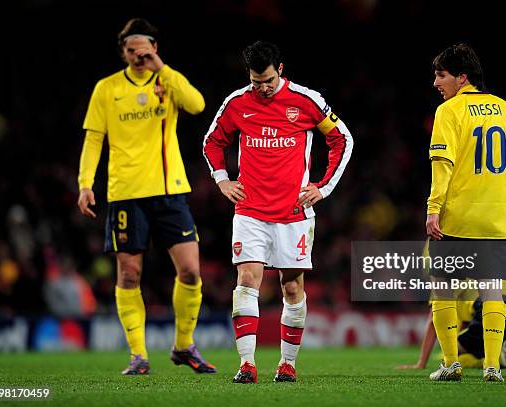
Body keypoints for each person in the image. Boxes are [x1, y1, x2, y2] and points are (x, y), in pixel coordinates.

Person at [202, 41, 353, 383]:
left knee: (291, 289)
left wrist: (323, 187)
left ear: (280, 70)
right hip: (250, 209)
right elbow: (212, 141)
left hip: (293, 212)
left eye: (268, 80)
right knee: (247, 280)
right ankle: (246, 364)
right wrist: (223, 179)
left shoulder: (306, 101)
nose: (263, 88)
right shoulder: (238, 103)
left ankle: (287, 364)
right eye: (256, 82)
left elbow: (342, 139)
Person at [77, 18, 215, 375]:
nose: (138, 55)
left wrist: (161, 68)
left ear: (154, 48)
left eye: (144, 49)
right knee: (129, 274)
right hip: (126, 194)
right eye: (131, 50)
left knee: (190, 271)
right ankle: (138, 355)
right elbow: (94, 138)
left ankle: (184, 345)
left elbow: (197, 104)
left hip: (170, 191)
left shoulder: (167, 80)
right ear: (123, 52)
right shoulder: (107, 89)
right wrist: (85, 183)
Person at [425, 43, 506, 382]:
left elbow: (442, 163)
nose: (436, 83)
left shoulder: (450, 111)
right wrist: (505, 190)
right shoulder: (504, 108)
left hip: (459, 217)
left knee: (444, 290)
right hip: (497, 220)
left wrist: (433, 208)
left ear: (462, 77)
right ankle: (492, 367)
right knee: (492, 290)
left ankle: (452, 364)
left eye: (441, 76)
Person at [397, 278, 506, 371]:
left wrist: (421, 363)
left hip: (491, 311)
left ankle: (502, 358)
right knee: (497, 338)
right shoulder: (492, 265)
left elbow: (433, 321)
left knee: (453, 353)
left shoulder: (448, 274)